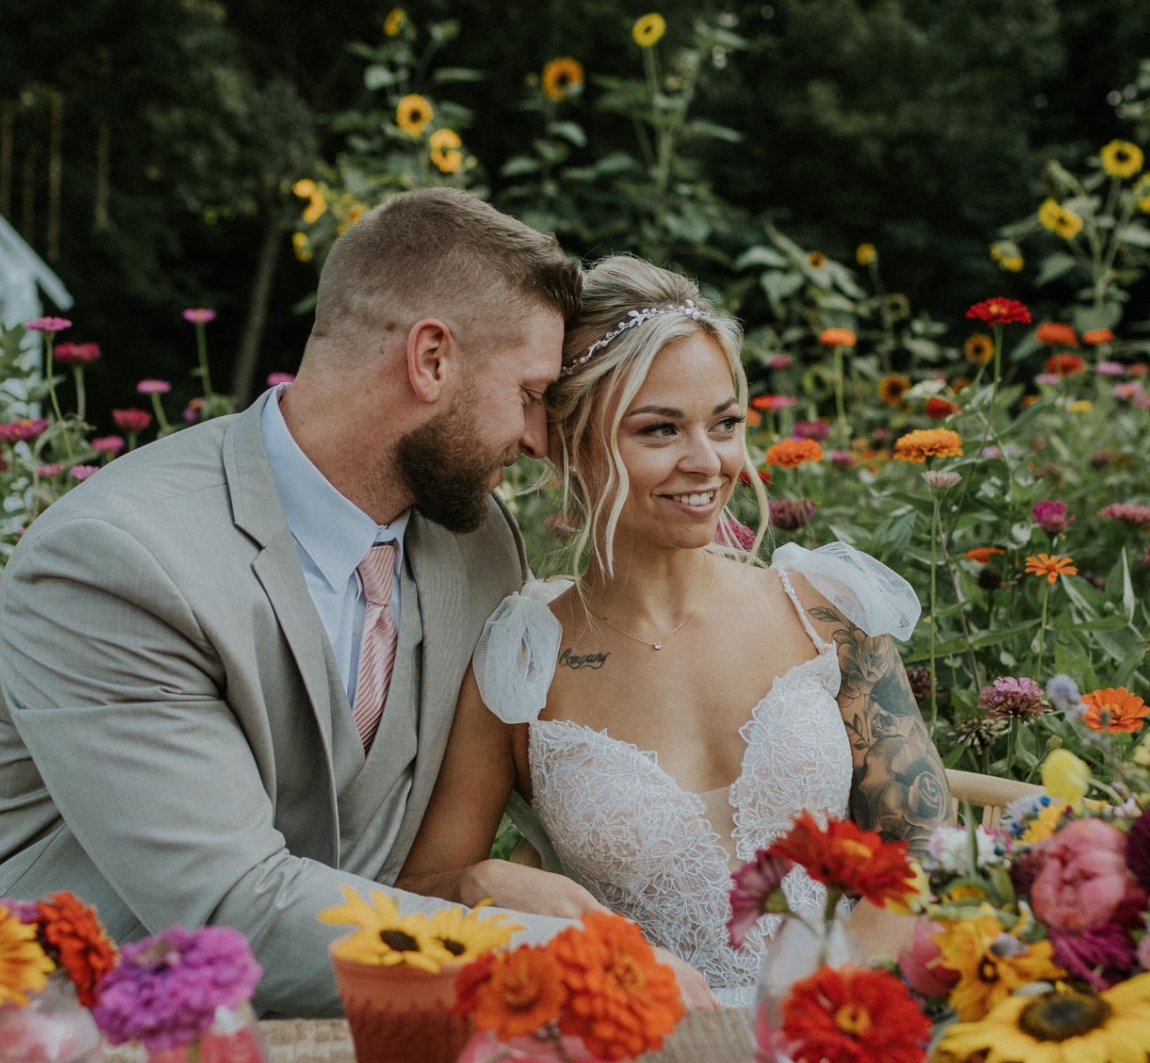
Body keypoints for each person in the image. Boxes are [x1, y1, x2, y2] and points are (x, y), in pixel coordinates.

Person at [0, 190, 714, 1017]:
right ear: (431, 359)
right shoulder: (117, 562)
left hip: (370, 1056)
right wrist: (566, 961)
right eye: (530, 394)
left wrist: (471, 880)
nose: (538, 439)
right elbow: (233, 910)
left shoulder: (476, 544)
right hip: (66, 1061)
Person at [396, 255, 954, 1004]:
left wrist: (818, 1003)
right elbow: (419, 892)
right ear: (570, 443)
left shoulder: (823, 609)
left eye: (724, 424)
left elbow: (926, 848)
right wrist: (483, 879)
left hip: (846, 1024)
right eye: (660, 429)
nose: (708, 462)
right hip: (647, 1050)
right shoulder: (521, 659)